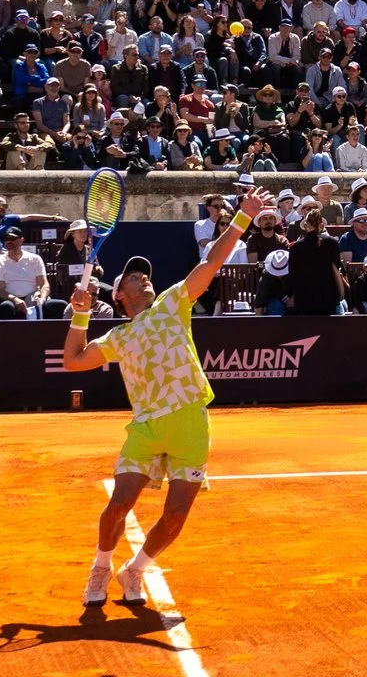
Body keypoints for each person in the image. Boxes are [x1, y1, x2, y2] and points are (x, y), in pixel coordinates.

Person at [58, 186, 265, 607]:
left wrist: (242, 218)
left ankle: (135, 571)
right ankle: (101, 566)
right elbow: (74, 360)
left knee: (175, 516)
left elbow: (212, 261)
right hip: (148, 428)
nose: (144, 278)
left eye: (145, 274)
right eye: (135, 277)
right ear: (119, 295)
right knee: (118, 505)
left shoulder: (173, 304)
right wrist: (80, 314)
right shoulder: (118, 336)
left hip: (190, 421)